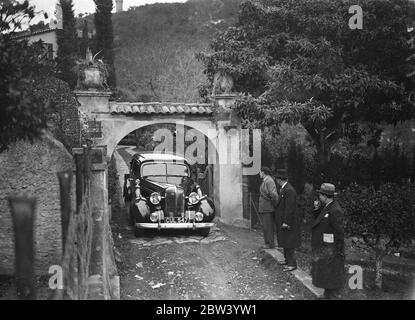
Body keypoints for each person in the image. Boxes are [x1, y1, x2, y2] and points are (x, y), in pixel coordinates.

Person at [311, 183, 345, 299]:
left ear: (325, 196)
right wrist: (316, 209)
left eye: (320, 195)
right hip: (325, 248)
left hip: (332, 249)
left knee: (331, 274)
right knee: (326, 273)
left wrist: (339, 252)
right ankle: (327, 295)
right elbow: (319, 220)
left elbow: (339, 233)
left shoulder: (335, 210)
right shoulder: (327, 206)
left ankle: (332, 296)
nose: (319, 197)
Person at [274, 169, 301, 271]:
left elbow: (289, 208)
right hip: (284, 220)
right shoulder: (284, 189)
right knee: (285, 241)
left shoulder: (289, 190)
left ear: (279, 179)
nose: (276, 181)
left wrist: (286, 222)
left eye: (277, 178)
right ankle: (286, 260)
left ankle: (292, 264)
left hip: (289, 222)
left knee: (289, 242)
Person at [258, 166, 279, 249]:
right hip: (265, 207)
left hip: (268, 207)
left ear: (263, 172)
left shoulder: (269, 180)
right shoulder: (266, 180)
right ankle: (267, 243)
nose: (259, 174)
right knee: (266, 226)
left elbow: (274, 194)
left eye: (260, 172)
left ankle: (270, 244)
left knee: (268, 227)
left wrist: (274, 204)